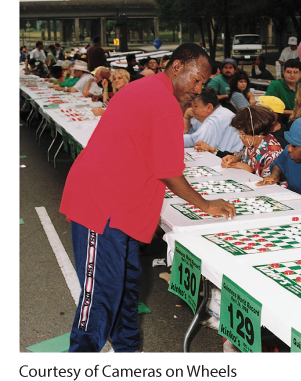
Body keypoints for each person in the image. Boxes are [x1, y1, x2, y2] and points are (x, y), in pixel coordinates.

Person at [59, 43, 236, 352]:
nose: (199, 89)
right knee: (100, 299)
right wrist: (206, 205)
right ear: (177, 66)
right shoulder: (162, 99)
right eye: (196, 80)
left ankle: (129, 351)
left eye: (204, 84)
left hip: (120, 209)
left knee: (125, 288)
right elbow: (168, 170)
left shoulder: (148, 88)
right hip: (101, 208)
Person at [219, 106, 283, 177]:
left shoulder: (272, 154)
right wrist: (235, 158)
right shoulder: (252, 143)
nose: (240, 137)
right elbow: (243, 155)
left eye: (243, 135)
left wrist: (249, 170)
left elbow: (268, 185)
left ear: (259, 132)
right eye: (239, 133)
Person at [183, 86, 243, 153]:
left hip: (233, 157)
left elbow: (194, 141)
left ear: (209, 107)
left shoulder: (215, 119)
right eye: (192, 106)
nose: (192, 109)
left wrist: (170, 138)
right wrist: (186, 116)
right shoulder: (203, 117)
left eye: (196, 106)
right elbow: (186, 132)